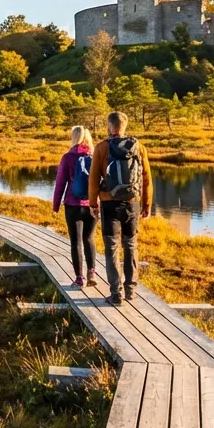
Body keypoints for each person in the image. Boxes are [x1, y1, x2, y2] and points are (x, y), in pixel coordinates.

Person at [89, 111, 152, 305]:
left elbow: (93, 179)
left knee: (112, 247)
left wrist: (93, 203)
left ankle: (115, 293)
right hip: (132, 203)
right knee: (131, 245)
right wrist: (147, 203)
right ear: (124, 126)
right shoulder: (138, 147)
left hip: (109, 203)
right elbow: (147, 178)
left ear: (109, 126)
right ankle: (131, 290)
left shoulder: (101, 148)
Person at [52, 125, 97, 287]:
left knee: (75, 242)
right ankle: (91, 273)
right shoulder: (95, 156)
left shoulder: (67, 157)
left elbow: (60, 183)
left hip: (72, 205)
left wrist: (56, 205)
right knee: (89, 238)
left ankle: (79, 279)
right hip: (92, 205)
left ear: (74, 137)